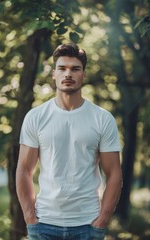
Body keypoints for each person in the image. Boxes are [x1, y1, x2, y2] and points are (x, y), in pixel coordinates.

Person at [16, 43, 122, 240]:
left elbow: (114, 173)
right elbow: (24, 170)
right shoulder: (36, 117)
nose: (68, 74)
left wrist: (102, 220)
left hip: (88, 224)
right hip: (44, 224)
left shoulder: (102, 118)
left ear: (83, 74)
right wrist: (29, 216)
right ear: (54, 74)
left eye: (75, 69)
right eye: (62, 68)